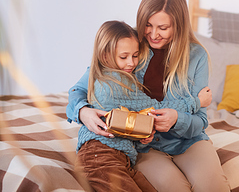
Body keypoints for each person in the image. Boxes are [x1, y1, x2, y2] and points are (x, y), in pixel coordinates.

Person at [67, 0, 230, 192]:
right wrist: (83, 112)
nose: (153, 34)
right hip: (144, 145)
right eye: (148, 25)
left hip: (188, 142)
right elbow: (81, 87)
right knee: (175, 188)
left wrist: (176, 119)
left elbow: (201, 121)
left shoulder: (197, 57)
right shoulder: (129, 43)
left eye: (163, 28)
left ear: (178, 25)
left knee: (213, 187)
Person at [75, 20, 211, 192]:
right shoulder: (113, 85)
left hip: (121, 155)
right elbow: (156, 107)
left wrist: (139, 135)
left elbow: (123, 122)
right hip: (99, 156)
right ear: (105, 56)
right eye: (124, 57)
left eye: (135, 55)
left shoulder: (197, 56)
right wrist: (197, 102)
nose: (131, 63)